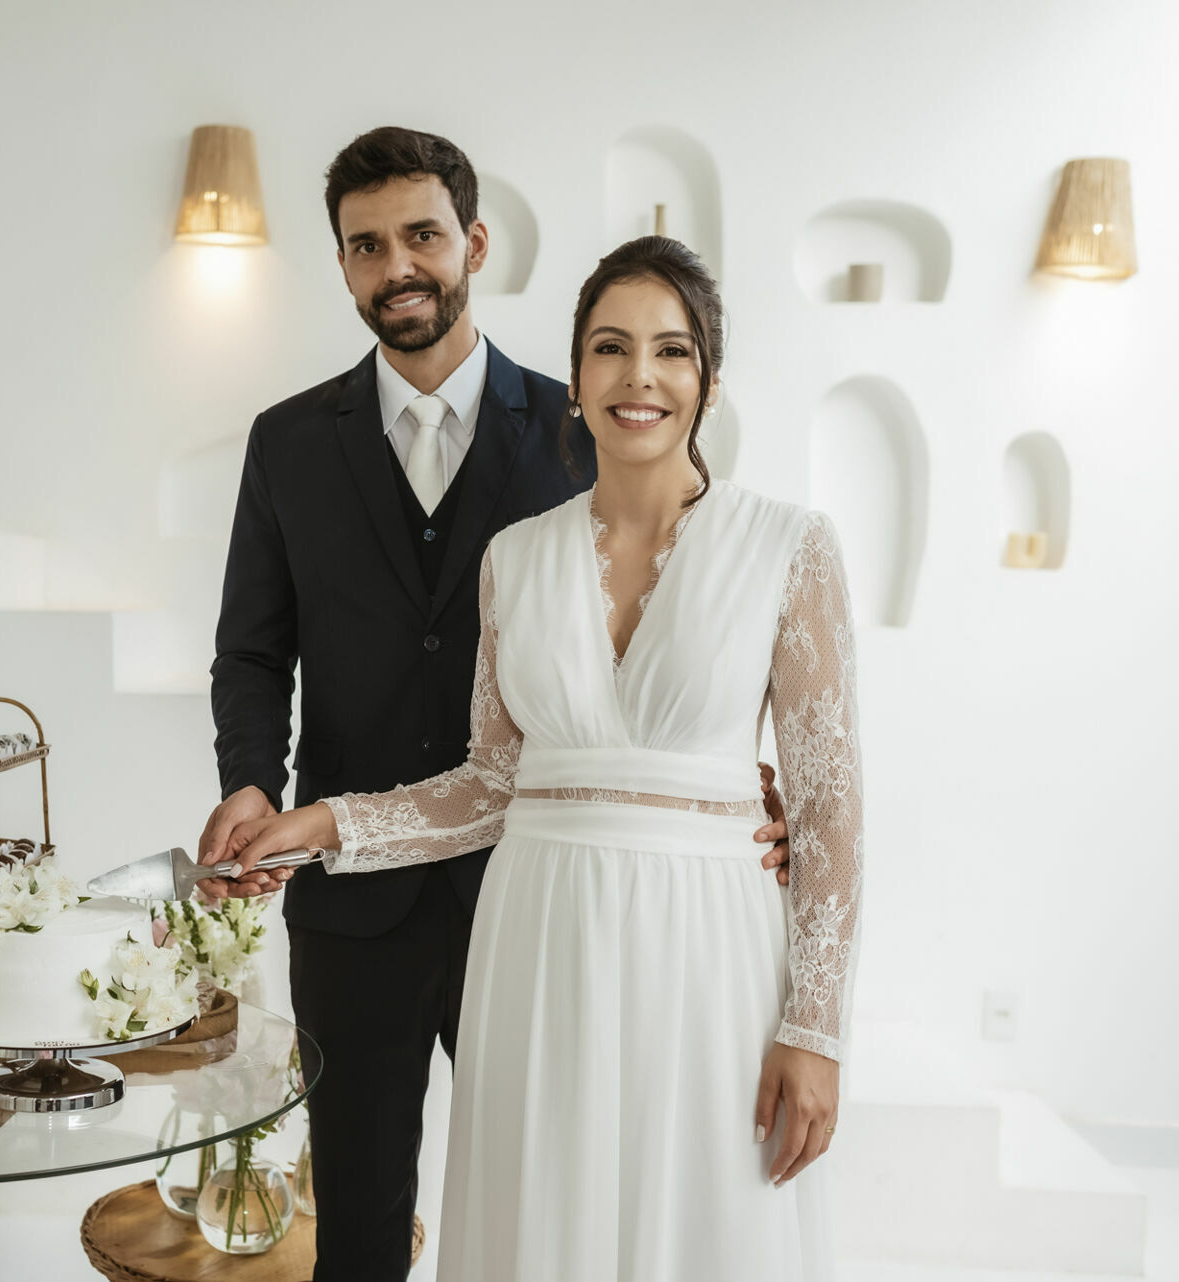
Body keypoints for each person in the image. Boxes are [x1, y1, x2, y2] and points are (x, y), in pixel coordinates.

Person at [201, 130, 794, 1282]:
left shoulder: (593, 422)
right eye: (366, 246)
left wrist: (730, 779)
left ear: (472, 242)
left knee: (565, 1212)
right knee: (359, 1231)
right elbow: (250, 649)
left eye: (422, 235)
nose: (398, 266)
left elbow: (688, 608)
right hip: (350, 908)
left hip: (547, 902)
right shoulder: (285, 443)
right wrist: (249, 780)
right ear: (342, 265)